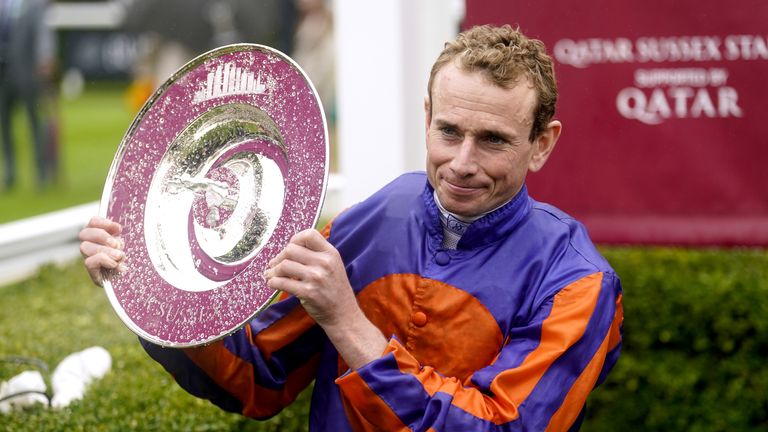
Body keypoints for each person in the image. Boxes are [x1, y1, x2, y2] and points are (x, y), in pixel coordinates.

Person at [80, 25, 623, 431]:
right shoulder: (376, 216)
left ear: (543, 143)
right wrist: (144, 283)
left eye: (493, 140)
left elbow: (503, 425)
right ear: (427, 115)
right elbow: (257, 379)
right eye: (449, 130)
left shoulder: (577, 282)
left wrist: (348, 322)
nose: (461, 161)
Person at [0, 0, 57, 190]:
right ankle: (9, 173)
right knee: (4, 126)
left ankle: (41, 173)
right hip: (3, 76)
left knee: (35, 124)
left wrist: (45, 58)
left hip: (28, 74)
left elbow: (43, 34)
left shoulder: (35, 4)